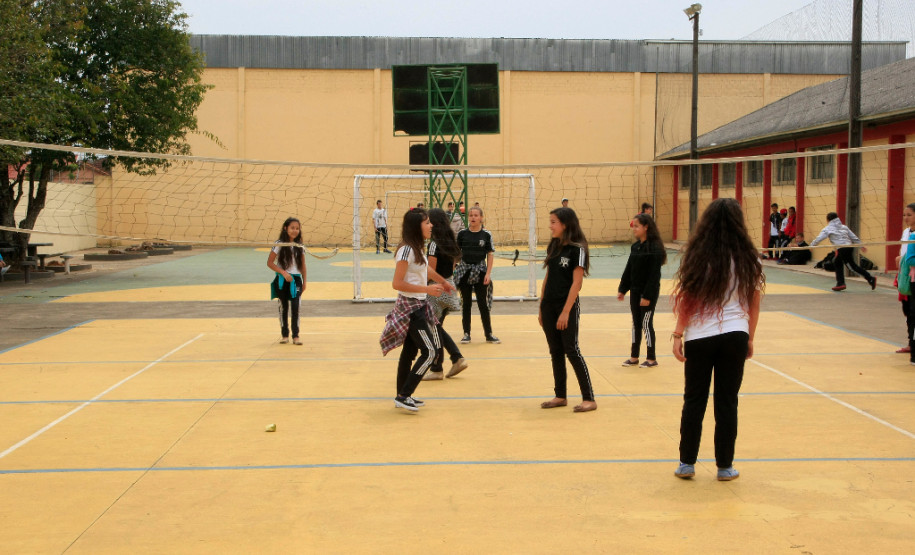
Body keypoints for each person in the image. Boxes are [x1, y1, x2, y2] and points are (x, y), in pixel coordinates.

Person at [671, 198, 763, 482]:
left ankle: (687, 464)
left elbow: (688, 298)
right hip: (736, 333)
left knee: (694, 400)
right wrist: (749, 337)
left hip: (700, 336)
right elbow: (754, 301)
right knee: (727, 401)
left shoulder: (698, 255)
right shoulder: (749, 256)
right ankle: (725, 467)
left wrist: (678, 333)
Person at [379, 208, 455, 411]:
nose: (431, 226)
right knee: (430, 352)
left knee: (409, 353)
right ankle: (404, 394)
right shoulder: (406, 250)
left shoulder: (418, 247)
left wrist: (443, 282)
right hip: (410, 309)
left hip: (420, 305)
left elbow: (425, 269)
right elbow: (397, 283)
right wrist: (427, 289)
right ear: (416, 226)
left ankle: (402, 395)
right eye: (427, 222)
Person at [539, 207, 597, 413]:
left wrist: (565, 311)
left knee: (571, 349)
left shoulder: (577, 248)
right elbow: (548, 276)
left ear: (565, 224)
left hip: (567, 306)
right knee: (555, 351)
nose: (550, 225)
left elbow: (577, 283)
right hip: (549, 305)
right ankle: (560, 395)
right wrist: (541, 305)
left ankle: (589, 398)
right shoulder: (554, 245)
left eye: (553, 222)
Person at [422, 208, 469, 381]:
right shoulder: (450, 242)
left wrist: (421, 285)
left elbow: (431, 271)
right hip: (448, 286)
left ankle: (443, 365)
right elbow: (452, 265)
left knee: (433, 328)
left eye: (428, 221)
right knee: (437, 327)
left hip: (437, 289)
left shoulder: (434, 244)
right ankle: (448, 361)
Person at [618, 213, 666, 368]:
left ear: (646, 227)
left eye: (637, 226)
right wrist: (623, 289)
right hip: (635, 290)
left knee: (646, 323)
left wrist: (647, 296)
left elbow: (654, 276)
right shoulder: (635, 247)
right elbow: (629, 269)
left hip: (648, 293)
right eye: (634, 226)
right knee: (636, 323)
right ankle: (634, 356)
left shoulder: (654, 248)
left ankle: (651, 358)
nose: (634, 229)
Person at [455, 206, 499, 344]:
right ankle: (466, 333)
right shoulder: (462, 234)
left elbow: (490, 255)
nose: (473, 217)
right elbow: (456, 255)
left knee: (482, 304)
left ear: (481, 218)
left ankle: (489, 334)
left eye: (476, 215)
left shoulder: (486, 235)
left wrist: (488, 273)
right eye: (471, 215)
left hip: (480, 271)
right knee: (466, 303)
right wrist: (453, 271)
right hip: (465, 271)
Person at [809, 212, 876, 291]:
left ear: (828, 220)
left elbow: (819, 238)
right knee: (837, 262)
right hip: (849, 247)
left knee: (852, 266)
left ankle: (870, 278)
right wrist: (860, 245)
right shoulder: (844, 227)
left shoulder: (827, 229)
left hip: (842, 249)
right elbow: (853, 237)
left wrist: (811, 245)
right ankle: (841, 283)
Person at [267, 217, 307, 345]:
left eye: (297, 228)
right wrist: (283, 272)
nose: (295, 231)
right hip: (282, 279)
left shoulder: (299, 245)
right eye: (292, 228)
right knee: (283, 307)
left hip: (296, 280)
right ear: (286, 228)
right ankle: (285, 335)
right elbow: (270, 262)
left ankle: (296, 336)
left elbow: (303, 265)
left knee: (296, 306)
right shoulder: (279, 244)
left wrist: (304, 281)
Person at [896, 203, 915, 357]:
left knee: (913, 311)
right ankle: (911, 343)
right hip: (904, 276)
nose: (906, 218)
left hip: (913, 275)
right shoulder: (906, 232)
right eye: (904, 215)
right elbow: (903, 252)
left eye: (909, 215)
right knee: (907, 310)